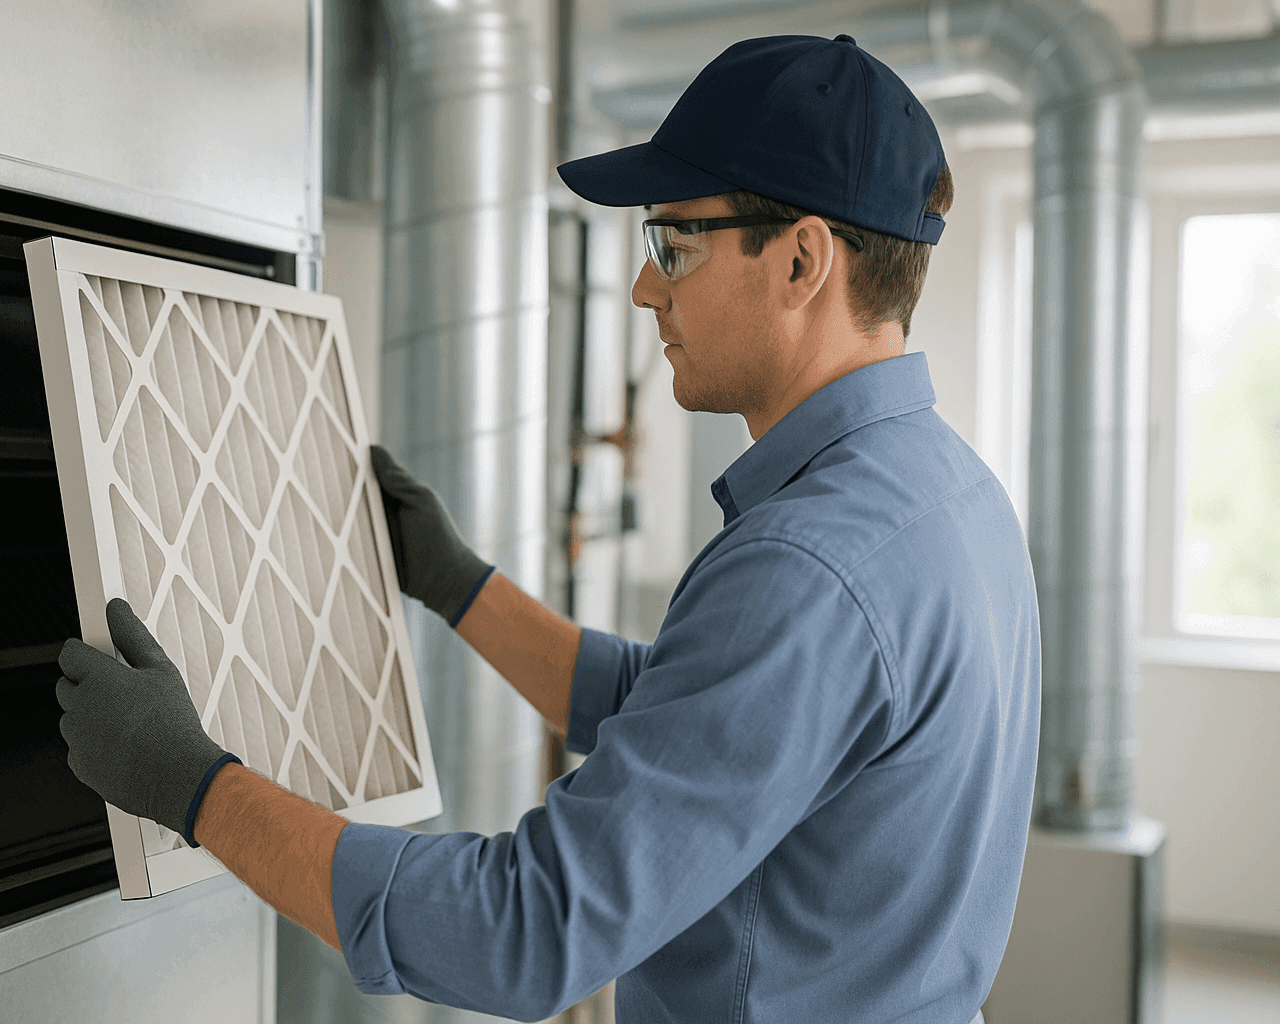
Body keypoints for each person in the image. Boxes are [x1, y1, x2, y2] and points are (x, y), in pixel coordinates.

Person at [55, 34, 1039, 1024]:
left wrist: (193, 784)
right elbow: (688, 714)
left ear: (800, 258)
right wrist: (459, 584)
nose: (647, 288)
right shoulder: (954, 496)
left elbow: (522, 932)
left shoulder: (807, 566)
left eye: (675, 245)